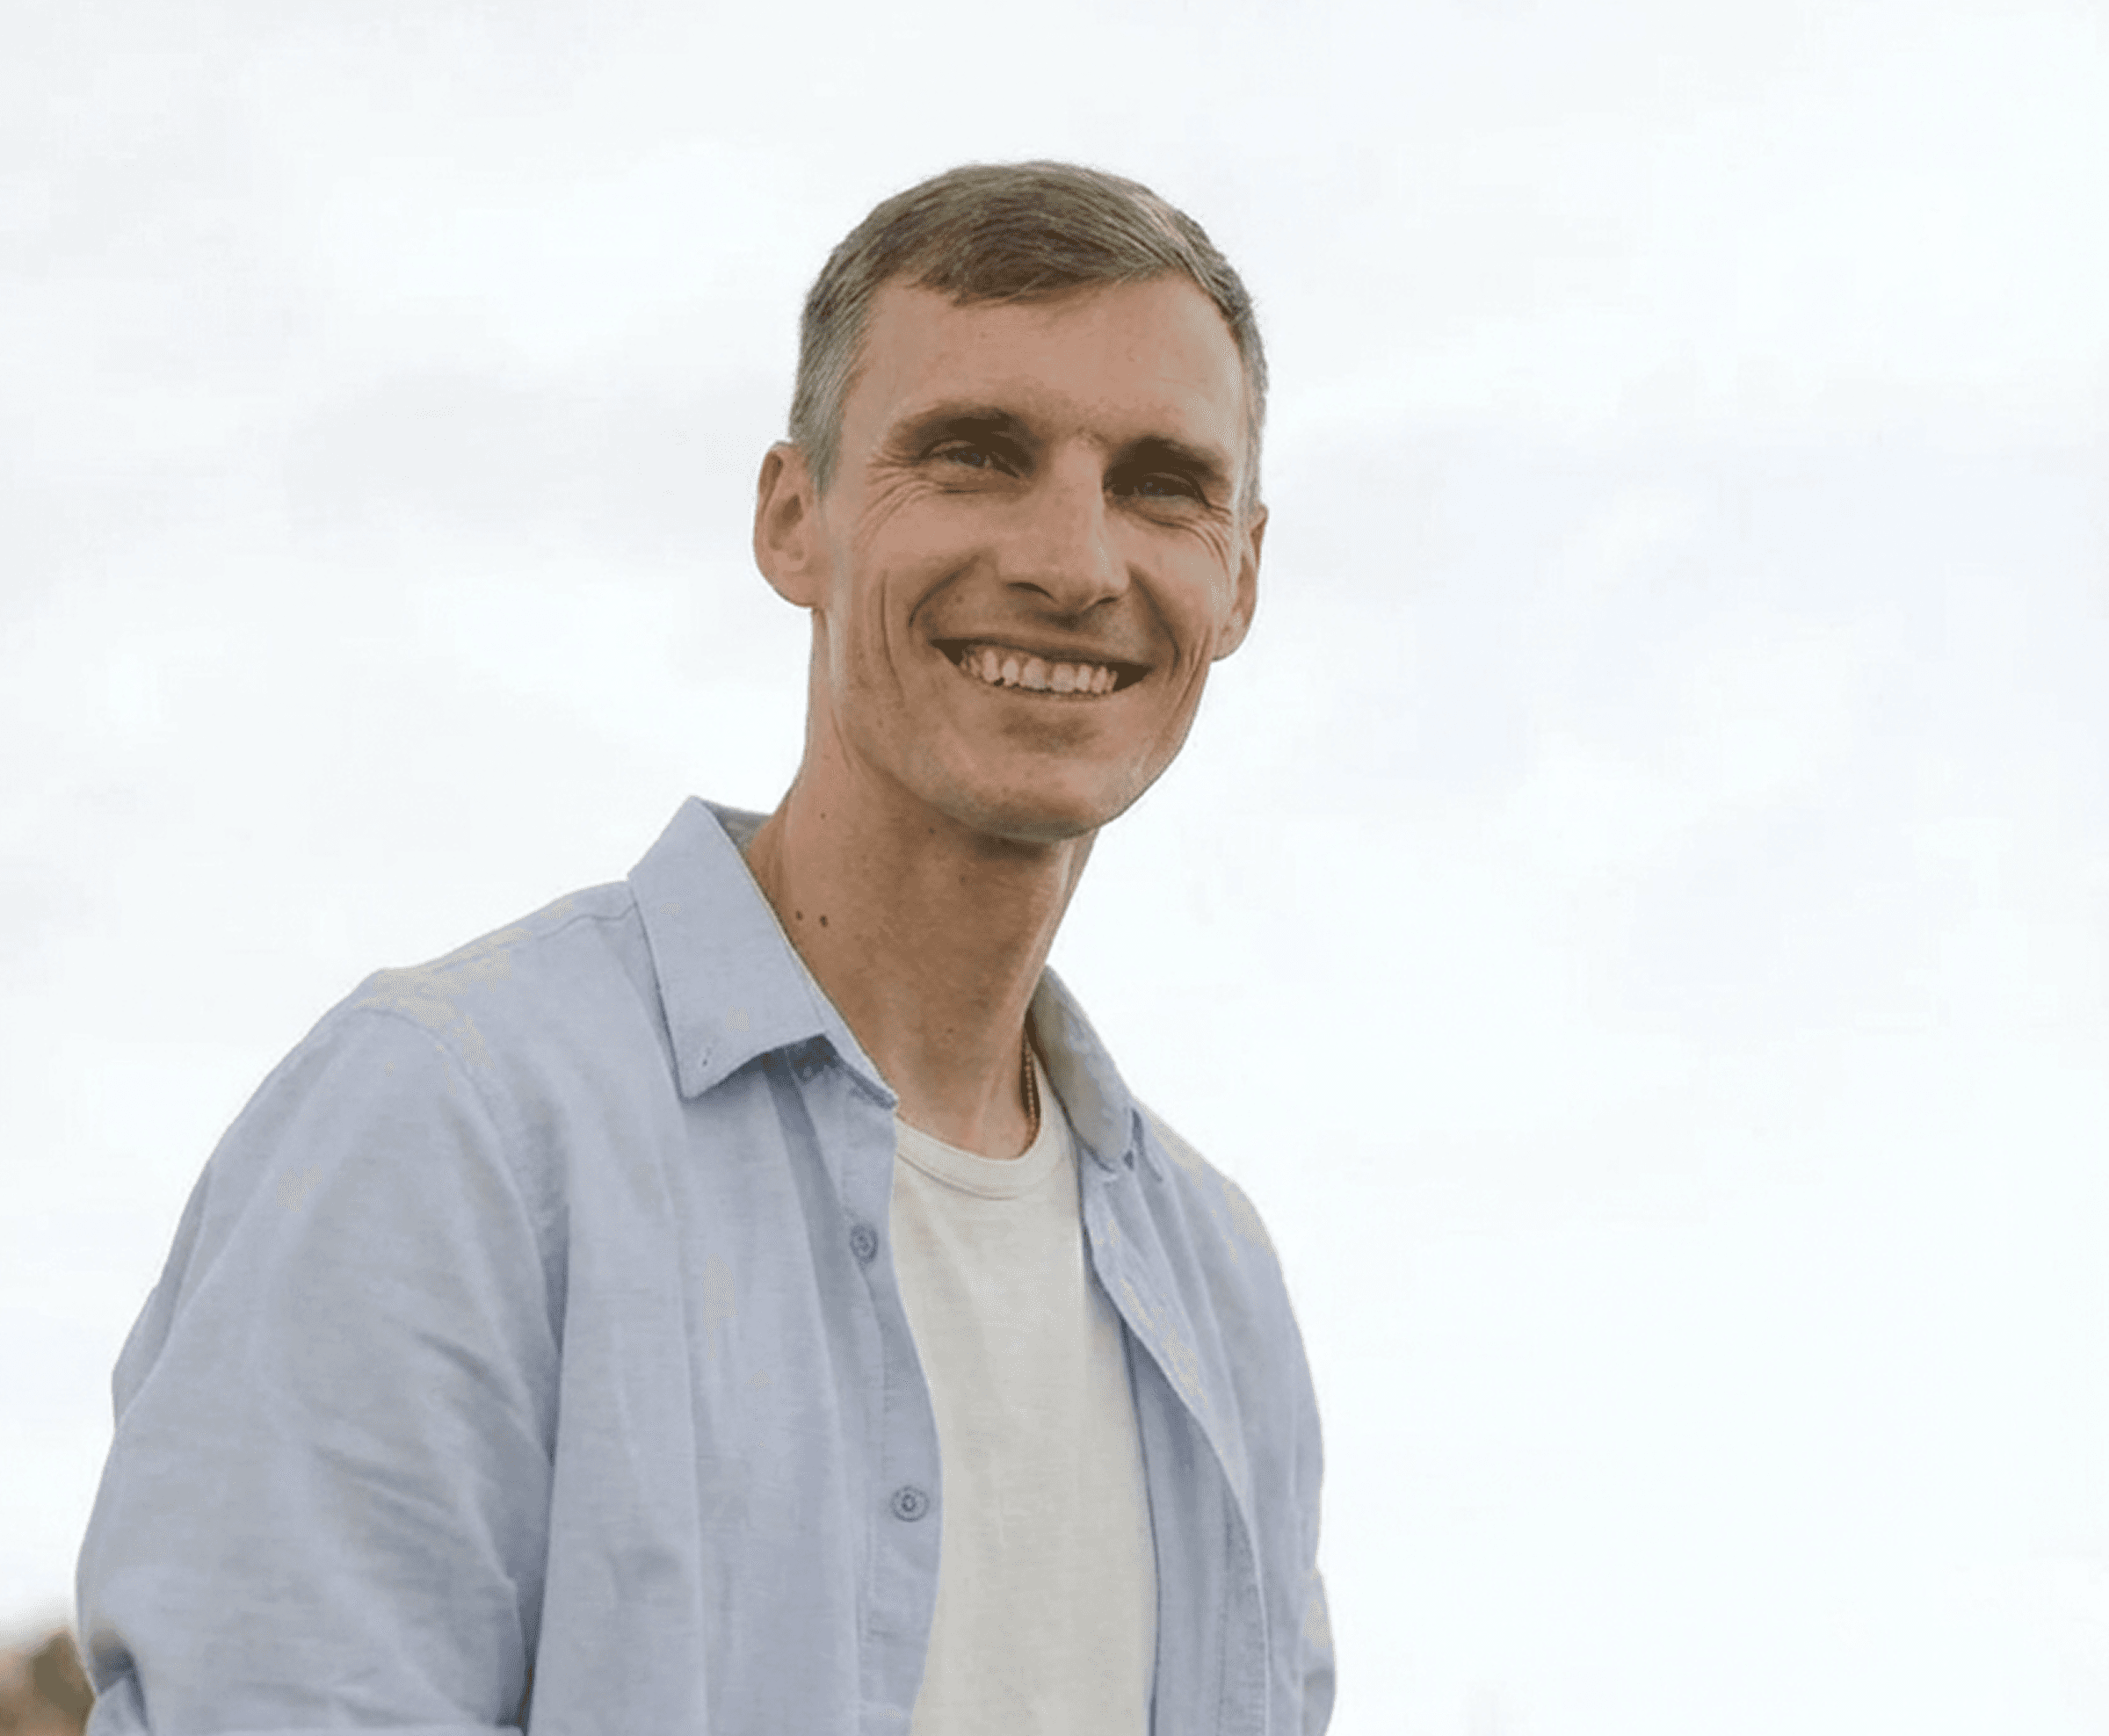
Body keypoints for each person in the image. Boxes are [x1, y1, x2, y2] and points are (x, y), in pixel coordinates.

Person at [76, 160, 1333, 1736]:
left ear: (1241, 578)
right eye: (974, 456)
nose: (1074, 562)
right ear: (791, 521)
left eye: (1161, 484)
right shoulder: (452, 1128)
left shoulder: (1221, 1293)